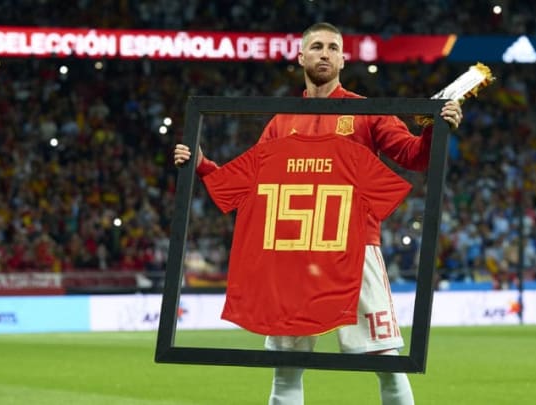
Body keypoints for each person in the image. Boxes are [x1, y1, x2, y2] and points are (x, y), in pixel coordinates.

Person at [173, 22, 463, 405]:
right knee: (286, 370)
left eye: (332, 47)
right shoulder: (281, 120)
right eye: (316, 47)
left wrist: (436, 131)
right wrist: (202, 165)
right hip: (296, 254)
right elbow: (251, 181)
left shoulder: (365, 111)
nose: (324, 53)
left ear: (343, 58)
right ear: (301, 57)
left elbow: (414, 156)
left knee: (387, 362)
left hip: (355, 249)